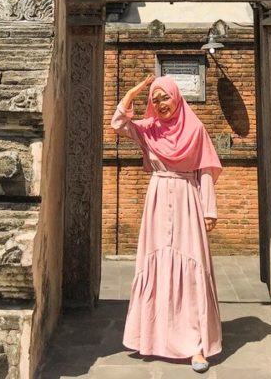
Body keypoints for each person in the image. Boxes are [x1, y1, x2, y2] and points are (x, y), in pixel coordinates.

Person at [110, 73, 223, 373]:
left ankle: (197, 346)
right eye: (155, 99)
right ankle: (151, 338)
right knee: (156, 265)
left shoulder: (196, 129)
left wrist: (209, 209)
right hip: (158, 198)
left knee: (191, 267)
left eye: (165, 97)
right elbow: (118, 123)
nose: (160, 104)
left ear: (177, 97)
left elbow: (206, 171)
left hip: (188, 199)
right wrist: (135, 90)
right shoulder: (149, 130)